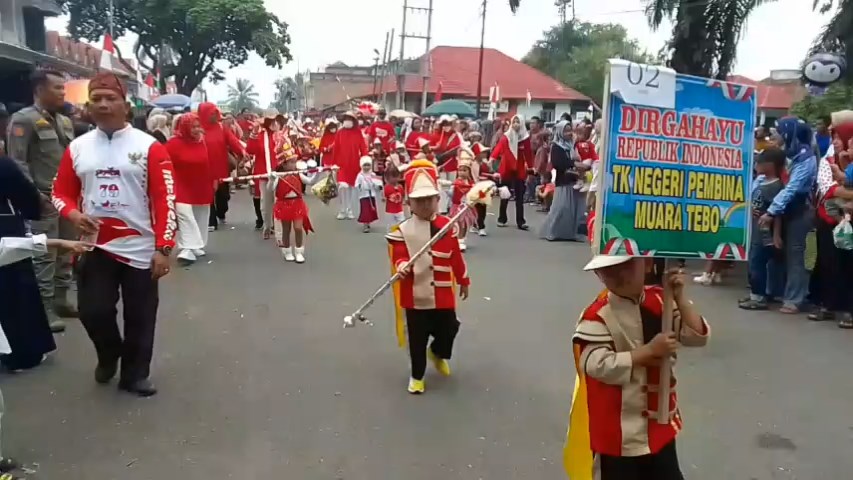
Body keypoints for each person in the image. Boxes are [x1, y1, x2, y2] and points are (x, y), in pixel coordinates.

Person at [51, 72, 176, 397]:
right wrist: (74, 214)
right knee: (93, 311)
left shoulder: (149, 146)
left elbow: (166, 199)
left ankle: (134, 375)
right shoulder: (77, 148)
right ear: (88, 106)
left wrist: (163, 247)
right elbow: (59, 192)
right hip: (95, 246)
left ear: (125, 105)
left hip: (141, 246)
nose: (104, 105)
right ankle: (109, 355)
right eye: (97, 99)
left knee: (140, 316)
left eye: (111, 98)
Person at [564, 256, 709, 480]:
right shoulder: (597, 316)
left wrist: (680, 297)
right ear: (598, 274)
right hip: (618, 433)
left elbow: (696, 336)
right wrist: (647, 352)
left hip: (659, 425)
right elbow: (596, 365)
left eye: (627, 265)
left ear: (648, 264)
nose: (619, 274)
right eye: (608, 269)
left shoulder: (662, 300)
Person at [385, 159, 470, 394]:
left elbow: (455, 258)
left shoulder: (447, 226)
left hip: (443, 294)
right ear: (409, 202)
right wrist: (402, 265)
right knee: (417, 339)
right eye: (418, 200)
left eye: (428, 199)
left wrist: (463, 280)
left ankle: (439, 352)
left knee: (450, 327)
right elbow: (400, 256)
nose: (424, 204)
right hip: (416, 296)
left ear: (437, 200)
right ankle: (417, 376)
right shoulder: (403, 231)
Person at [6, 69, 76, 333]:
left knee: (67, 251)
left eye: (63, 88)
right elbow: (18, 162)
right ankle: (44, 308)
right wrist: (34, 196)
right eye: (57, 88)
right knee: (44, 254)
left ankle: (61, 299)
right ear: (39, 90)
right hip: (42, 199)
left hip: (66, 198)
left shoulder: (65, 122)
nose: (62, 93)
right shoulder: (24, 120)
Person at [0, 154, 61, 372]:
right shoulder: (4, 164)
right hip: (6, 232)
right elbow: (24, 193)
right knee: (16, 293)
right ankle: (24, 353)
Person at [758, 117, 817, 314]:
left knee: (796, 256)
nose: (775, 135)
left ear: (788, 133)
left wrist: (771, 211)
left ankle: (794, 299)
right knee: (778, 253)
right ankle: (777, 291)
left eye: (779, 132)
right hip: (785, 210)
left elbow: (792, 188)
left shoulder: (805, 158)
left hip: (800, 211)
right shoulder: (790, 154)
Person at [739, 148, 786, 310]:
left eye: (760, 162)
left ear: (771, 165)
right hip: (756, 230)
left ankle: (759, 297)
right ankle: (755, 294)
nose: (757, 165)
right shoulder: (761, 181)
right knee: (753, 262)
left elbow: (778, 213)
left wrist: (776, 235)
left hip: (766, 234)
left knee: (757, 263)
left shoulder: (776, 186)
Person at [166, 113, 212, 264]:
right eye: (193, 127)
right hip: (180, 184)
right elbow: (164, 163)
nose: (197, 130)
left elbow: (211, 161)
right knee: (183, 213)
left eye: (198, 126)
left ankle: (197, 244)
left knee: (201, 213)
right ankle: (187, 247)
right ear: (185, 127)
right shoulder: (173, 144)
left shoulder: (202, 142)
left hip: (201, 183)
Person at [198, 102, 246, 231]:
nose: (215, 116)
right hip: (204, 169)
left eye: (215, 113)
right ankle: (211, 221)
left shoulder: (221, 128)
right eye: (212, 113)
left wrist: (242, 151)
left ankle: (221, 213)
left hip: (221, 168)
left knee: (223, 196)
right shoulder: (198, 130)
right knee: (208, 197)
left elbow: (233, 141)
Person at [540, 120, 587, 241]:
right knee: (561, 208)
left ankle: (570, 233)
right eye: (565, 131)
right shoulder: (556, 146)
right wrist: (574, 164)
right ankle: (552, 231)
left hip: (574, 180)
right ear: (560, 132)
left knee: (574, 210)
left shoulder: (572, 145)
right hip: (563, 181)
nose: (568, 133)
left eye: (570, 130)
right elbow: (558, 163)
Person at [491, 114, 533, 230]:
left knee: (519, 196)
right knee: (505, 194)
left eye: (518, 122)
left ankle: (521, 221)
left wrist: (531, 167)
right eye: (514, 121)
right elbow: (498, 148)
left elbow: (528, 154)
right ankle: (502, 218)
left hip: (519, 169)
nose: (516, 124)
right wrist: (492, 158)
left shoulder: (525, 138)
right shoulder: (506, 137)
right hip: (506, 169)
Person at [246, 109, 282, 239]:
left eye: (275, 120)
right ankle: (267, 225)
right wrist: (254, 132)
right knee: (266, 204)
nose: (274, 123)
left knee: (281, 202)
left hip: (282, 173)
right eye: (271, 120)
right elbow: (250, 150)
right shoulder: (260, 135)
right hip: (264, 174)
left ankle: (279, 230)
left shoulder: (282, 135)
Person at [272, 155, 315, 263]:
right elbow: (270, 188)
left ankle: (299, 251)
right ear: (284, 164)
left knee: (298, 228)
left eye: (294, 162)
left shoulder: (298, 174)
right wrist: (271, 179)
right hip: (284, 204)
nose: (293, 165)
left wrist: (315, 172)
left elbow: (310, 181)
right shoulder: (278, 176)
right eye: (291, 162)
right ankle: (287, 251)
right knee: (286, 230)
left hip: (297, 204)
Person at [331, 111, 368, 220]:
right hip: (341, 165)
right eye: (346, 118)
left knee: (352, 188)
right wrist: (333, 164)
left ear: (353, 121)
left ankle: (349, 209)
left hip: (354, 164)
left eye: (349, 119)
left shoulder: (358, 133)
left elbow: (363, 147)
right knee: (343, 186)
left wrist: (365, 160)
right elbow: (336, 148)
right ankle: (342, 209)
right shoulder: (339, 133)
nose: (347, 121)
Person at [431, 115, 464, 213]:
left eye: (448, 124)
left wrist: (444, 154)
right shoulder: (436, 135)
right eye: (444, 124)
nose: (446, 126)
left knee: (452, 186)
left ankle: (450, 206)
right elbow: (432, 148)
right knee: (442, 187)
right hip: (441, 165)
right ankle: (443, 208)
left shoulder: (456, 135)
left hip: (452, 164)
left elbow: (457, 149)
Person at [449, 151, 478, 251]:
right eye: (460, 170)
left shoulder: (471, 183)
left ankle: (462, 239)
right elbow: (453, 194)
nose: (462, 172)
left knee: (466, 224)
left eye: (464, 170)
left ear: (469, 171)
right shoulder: (457, 182)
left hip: (468, 207)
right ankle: (459, 239)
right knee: (459, 223)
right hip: (458, 206)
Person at [355, 156, 379, 232]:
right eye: (364, 165)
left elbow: (377, 183)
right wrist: (359, 187)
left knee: (370, 210)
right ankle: (365, 225)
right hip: (363, 195)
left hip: (371, 194)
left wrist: (377, 186)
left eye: (368, 165)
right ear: (361, 166)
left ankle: (368, 222)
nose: (366, 167)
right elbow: (357, 184)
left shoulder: (373, 174)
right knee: (365, 210)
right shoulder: (360, 175)